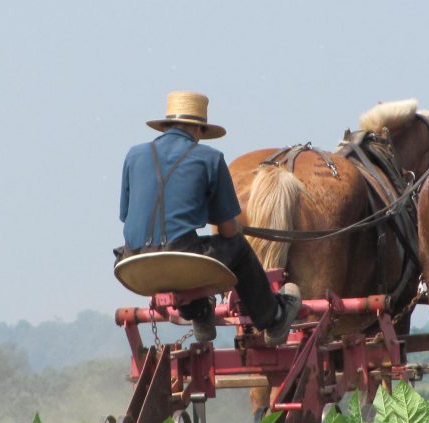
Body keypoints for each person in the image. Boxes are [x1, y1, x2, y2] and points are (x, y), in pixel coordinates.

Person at [117, 90, 300, 345]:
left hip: (132, 261)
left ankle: (200, 312)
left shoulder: (133, 155)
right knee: (235, 246)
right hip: (177, 258)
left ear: (166, 125)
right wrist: (236, 226)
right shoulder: (210, 158)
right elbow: (227, 230)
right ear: (199, 130)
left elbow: (127, 217)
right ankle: (273, 316)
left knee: (185, 245)